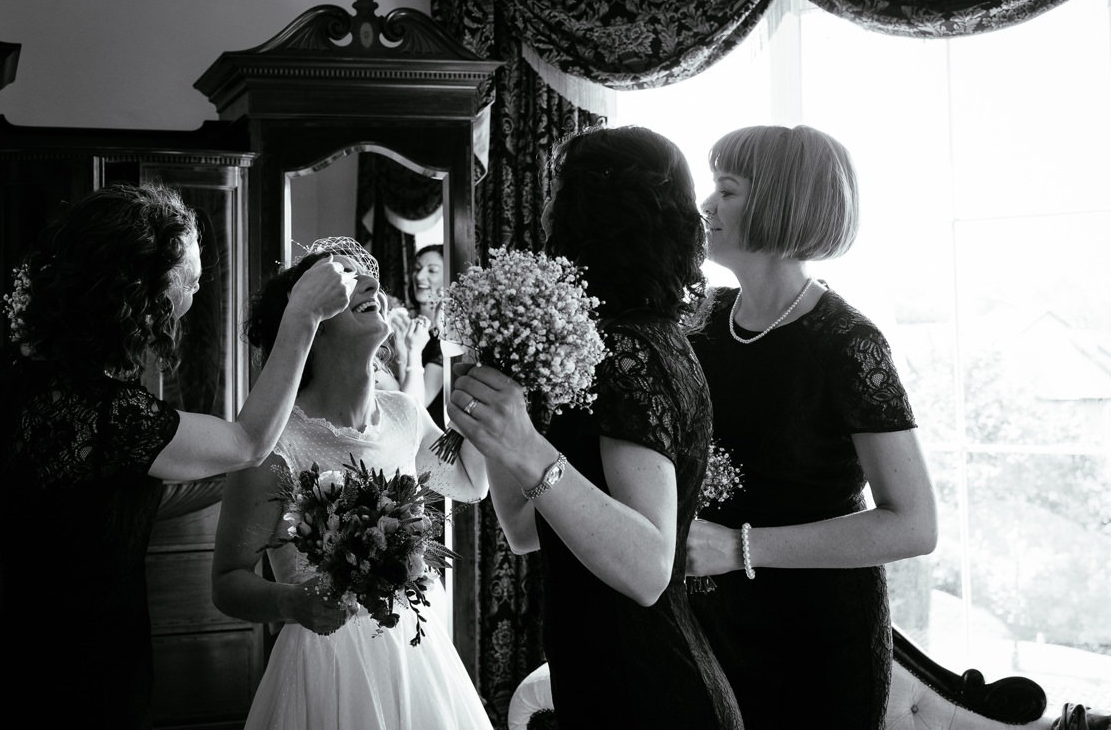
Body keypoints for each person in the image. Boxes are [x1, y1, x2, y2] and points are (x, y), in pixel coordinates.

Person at [0, 182, 355, 730]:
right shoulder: (114, 413)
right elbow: (249, 443)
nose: (192, 298)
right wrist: (302, 318)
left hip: (13, 662)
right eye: (187, 282)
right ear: (137, 290)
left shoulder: (4, 376)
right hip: (92, 676)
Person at [447, 126, 743, 729]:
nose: (548, 211)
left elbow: (648, 569)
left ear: (591, 212)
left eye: (559, 192)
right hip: (602, 688)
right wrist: (505, 418)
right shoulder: (609, 346)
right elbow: (528, 529)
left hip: (652, 698)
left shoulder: (631, 351)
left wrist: (528, 446)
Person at [686, 124, 938, 730]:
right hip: (709, 627)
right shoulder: (701, 319)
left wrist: (739, 548)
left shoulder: (848, 343)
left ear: (779, 204)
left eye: (727, 189)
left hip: (816, 644)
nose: (705, 204)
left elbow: (914, 525)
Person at [211, 237, 491, 730]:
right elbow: (227, 581)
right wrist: (292, 602)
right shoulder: (274, 441)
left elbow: (470, 482)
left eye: (368, 274)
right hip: (323, 667)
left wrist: (485, 382)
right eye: (343, 277)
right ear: (309, 324)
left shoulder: (404, 415)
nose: (371, 283)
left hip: (416, 657)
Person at [388, 245, 445, 425]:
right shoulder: (402, 321)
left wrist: (404, 353)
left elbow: (416, 406)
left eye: (432, 270)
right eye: (418, 269)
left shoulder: (445, 336)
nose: (419, 277)